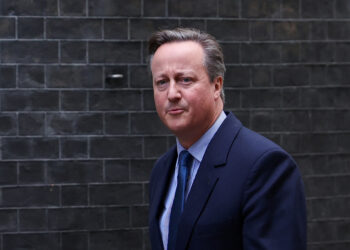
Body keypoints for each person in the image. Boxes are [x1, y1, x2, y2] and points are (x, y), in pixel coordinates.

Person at [148, 28, 306, 250]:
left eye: (185, 79)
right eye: (161, 82)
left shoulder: (265, 167)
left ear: (217, 85)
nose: (172, 94)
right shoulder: (162, 170)